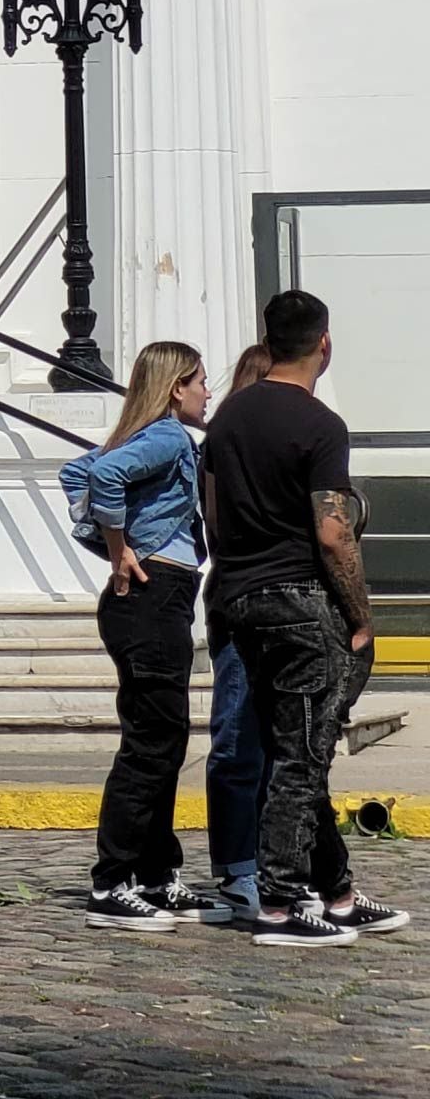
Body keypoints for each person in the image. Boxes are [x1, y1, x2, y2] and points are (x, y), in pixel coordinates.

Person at [202, 289, 411, 949]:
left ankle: (336, 891)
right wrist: (361, 615)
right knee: (303, 759)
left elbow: (211, 510)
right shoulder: (320, 425)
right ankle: (284, 902)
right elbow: (332, 530)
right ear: (324, 343)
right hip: (298, 603)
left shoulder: (228, 417)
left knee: (296, 748)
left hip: (239, 600)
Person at [62, 341, 220, 933]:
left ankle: (157, 873)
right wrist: (118, 548)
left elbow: (77, 470)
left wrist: (117, 542)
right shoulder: (169, 437)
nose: (208, 392)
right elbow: (99, 473)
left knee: (164, 738)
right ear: (176, 387)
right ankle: (113, 880)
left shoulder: (154, 436)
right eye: (201, 381)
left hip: (158, 601)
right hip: (151, 600)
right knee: (153, 743)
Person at [205, 342, 274, 926]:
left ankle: (270, 866)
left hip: (268, 596)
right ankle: (237, 868)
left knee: (279, 742)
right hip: (238, 595)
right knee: (237, 734)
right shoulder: (225, 443)